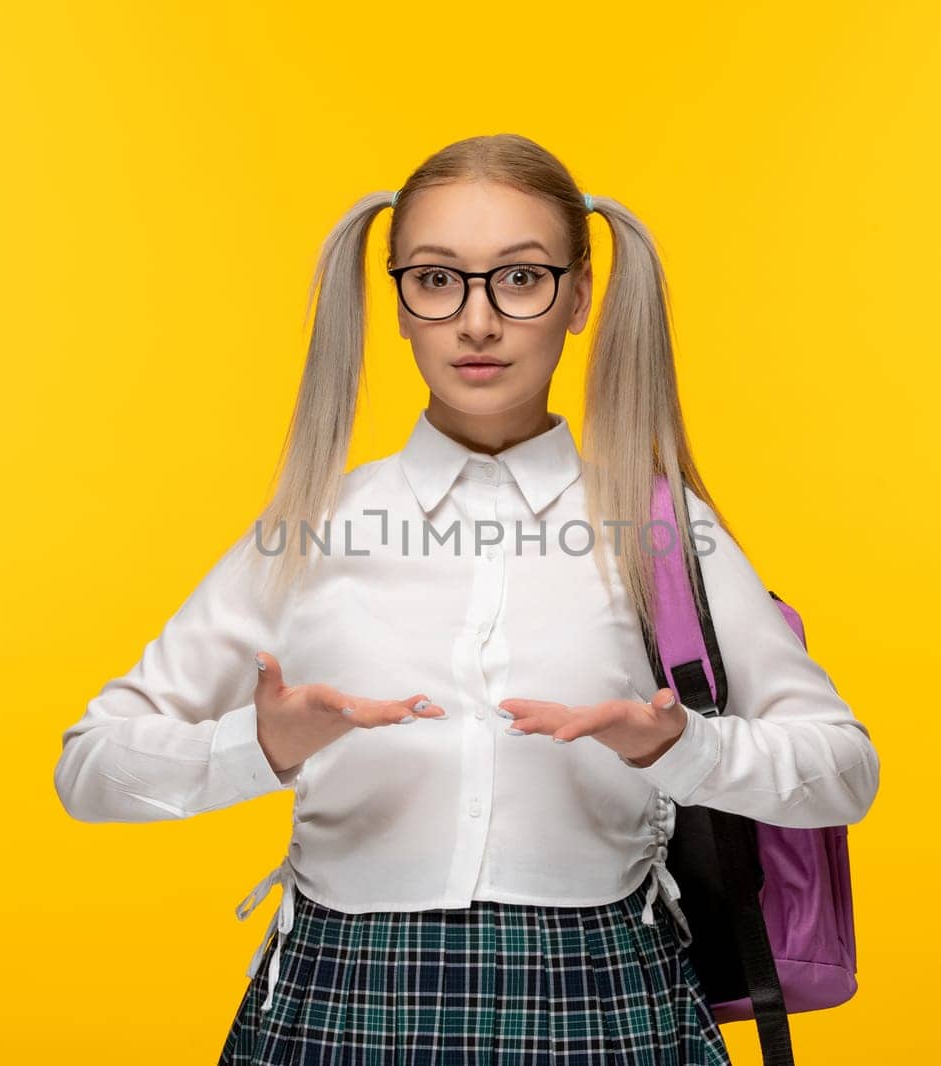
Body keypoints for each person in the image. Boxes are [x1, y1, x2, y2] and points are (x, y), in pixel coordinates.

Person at [53, 133, 881, 1065]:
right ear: (398, 302)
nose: (477, 322)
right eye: (439, 280)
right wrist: (262, 747)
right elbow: (89, 768)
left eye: (520, 279)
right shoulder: (312, 525)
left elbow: (845, 772)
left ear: (577, 299)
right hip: (342, 1005)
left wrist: (684, 751)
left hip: (605, 1003)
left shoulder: (657, 526)